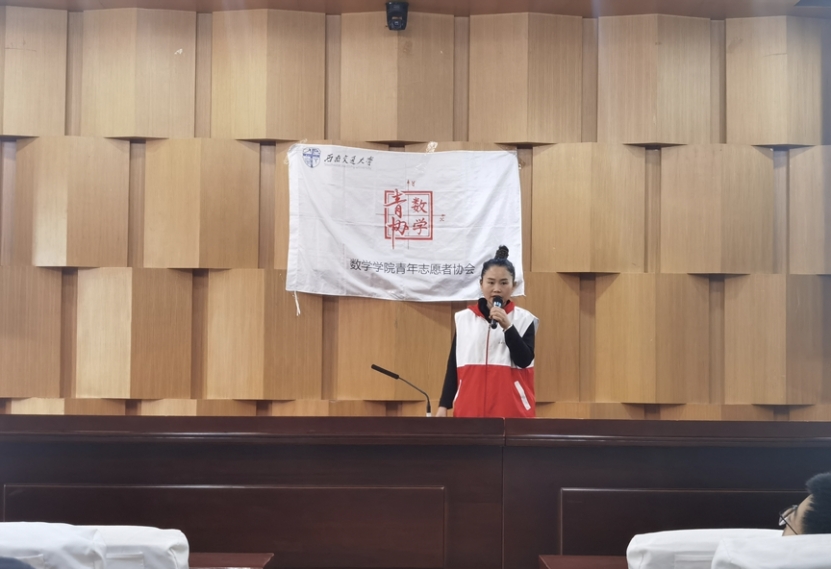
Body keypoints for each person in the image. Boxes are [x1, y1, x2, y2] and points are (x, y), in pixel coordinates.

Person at [436, 246, 539, 418]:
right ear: (481, 284)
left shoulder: (525, 319)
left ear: (513, 286)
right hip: (469, 411)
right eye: (491, 282)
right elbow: (454, 364)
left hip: (512, 412)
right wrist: (443, 405)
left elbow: (524, 360)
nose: (497, 289)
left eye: (504, 283)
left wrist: (508, 327)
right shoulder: (464, 319)